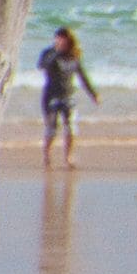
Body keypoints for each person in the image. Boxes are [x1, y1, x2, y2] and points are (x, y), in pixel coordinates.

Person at [38, 25, 99, 168]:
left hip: (68, 95)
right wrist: (55, 52)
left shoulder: (74, 56)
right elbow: (41, 66)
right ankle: (47, 157)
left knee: (71, 129)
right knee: (52, 129)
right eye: (58, 39)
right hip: (51, 96)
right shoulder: (49, 53)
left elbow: (83, 76)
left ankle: (68, 158)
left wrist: (93, 94)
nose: (60, 42)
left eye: (63, 40)